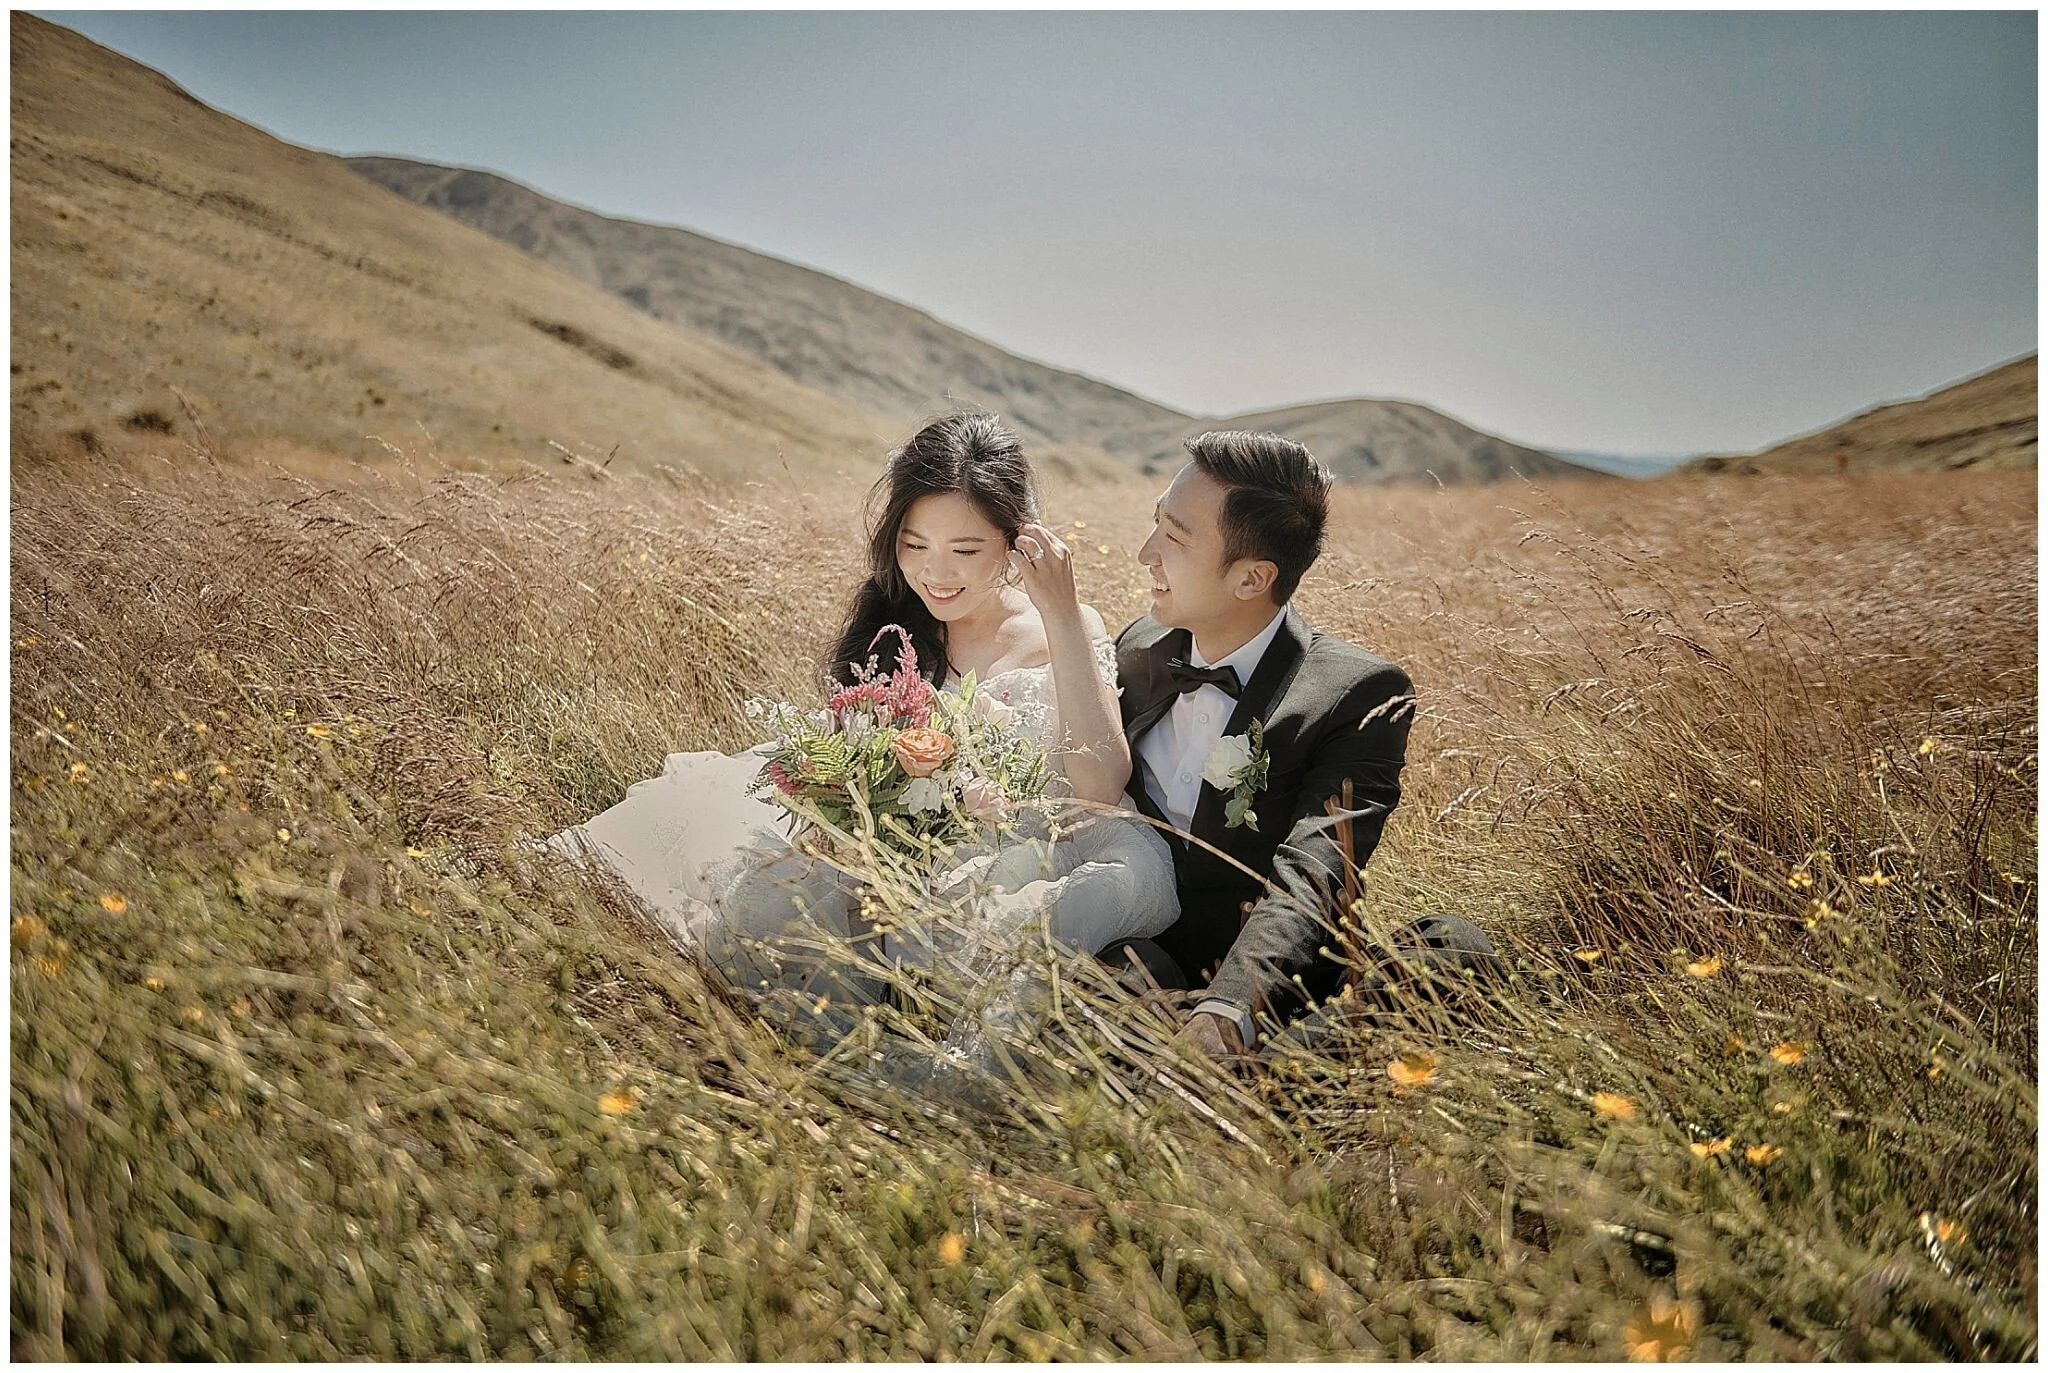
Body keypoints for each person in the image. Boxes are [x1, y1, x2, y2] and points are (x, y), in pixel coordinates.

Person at [548, 411, 1178, 1029]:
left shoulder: (1065, 624)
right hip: (893, 853)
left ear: (1017, 542)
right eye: (914, 545)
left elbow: (1098, 791)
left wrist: (1062, 611)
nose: (936, 572)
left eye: (965, 548)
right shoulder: (894, 627)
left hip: (1027, 852)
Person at [1111, 430, 1499, 1057]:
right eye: (1156, 525)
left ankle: (1228, 1076)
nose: (1144, 554)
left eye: (1175, 538)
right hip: (1138, 964)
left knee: (1456, 951)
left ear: (1251, 578)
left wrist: (1228, 1008)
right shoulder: (1134, 651)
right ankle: (1225, 1092)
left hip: (1271, 980)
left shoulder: (1356, 692)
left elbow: (1317, 874)